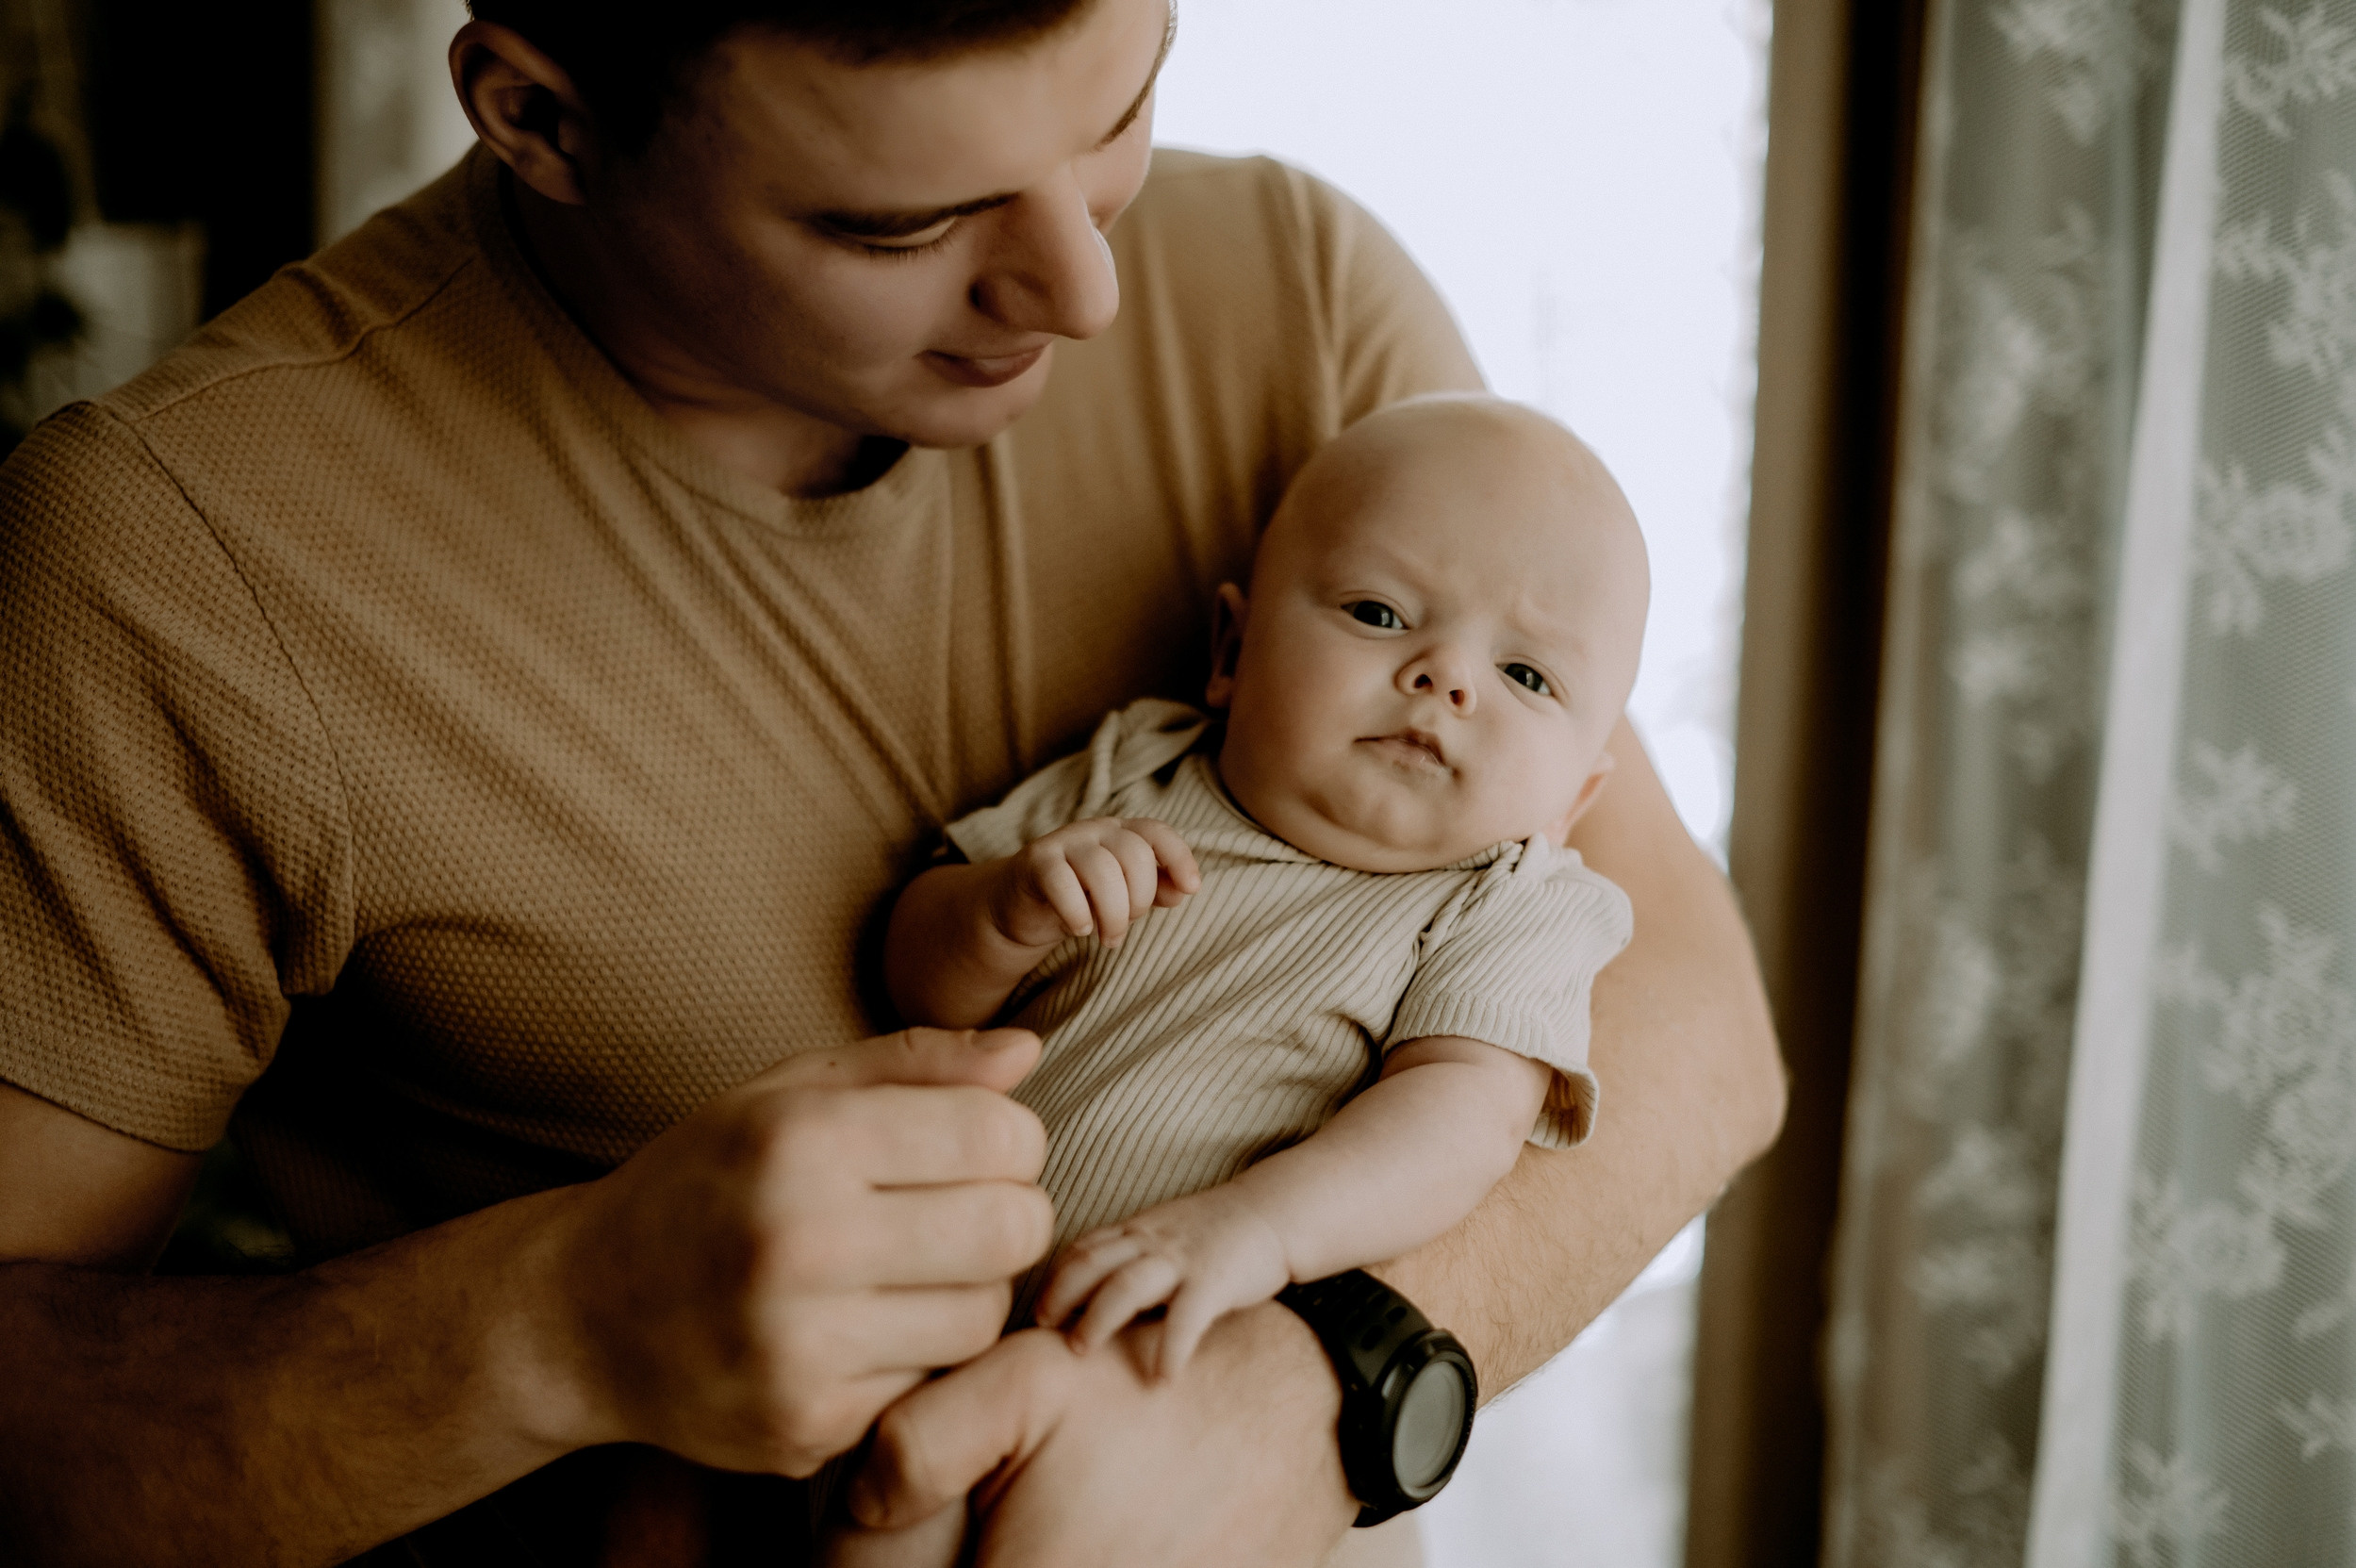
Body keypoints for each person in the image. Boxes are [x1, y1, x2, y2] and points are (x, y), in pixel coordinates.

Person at [0, 1, 1785, 1563]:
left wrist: (1314, 1388)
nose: (1084, 289)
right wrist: (548, 1327)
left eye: (1115, 116)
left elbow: (1687, 1026)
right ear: (537, 114)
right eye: (904, 223)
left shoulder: (1296, 294)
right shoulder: (175, 563)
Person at [825, 395, 1649, 1568]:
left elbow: (1462, 1118)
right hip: (957, 1314)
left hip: (1209, 1364)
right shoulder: (1137, 772)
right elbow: (920, 982)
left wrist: (1252, 1231)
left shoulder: (1511, 900)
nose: (1446, 678)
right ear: (1231, 650)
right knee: (884, 1504)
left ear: (1575, 800)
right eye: (1379, 612)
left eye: (1525, 676)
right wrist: (1002, 908)